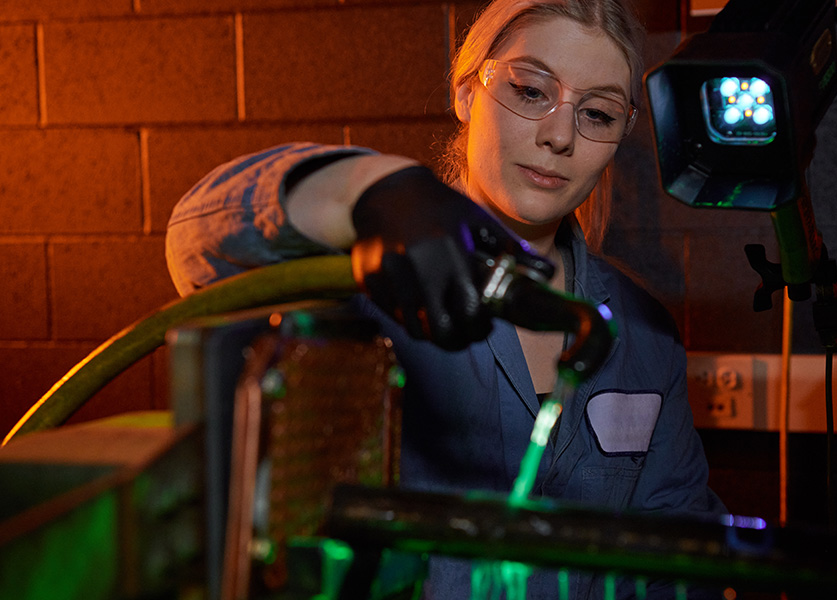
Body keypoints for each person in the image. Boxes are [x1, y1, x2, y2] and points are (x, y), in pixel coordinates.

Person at [166, 0, 725, 597]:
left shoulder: (643, 335)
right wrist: (366, 190)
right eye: (531, 92)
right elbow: (196, 244)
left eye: (596, 112)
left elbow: (679, 550)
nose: (560, 135)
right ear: (465, 94)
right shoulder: (368, 285)